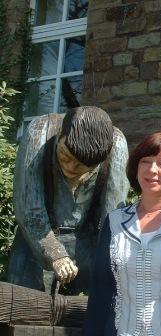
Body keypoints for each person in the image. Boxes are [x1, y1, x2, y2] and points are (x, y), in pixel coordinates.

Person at [83, 132, 161, 336]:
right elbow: (100, 293)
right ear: (136, 168)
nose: (152, 170)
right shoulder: (115, 222)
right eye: (145, 161)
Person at [8, 106, 129, 295]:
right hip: (35, 242)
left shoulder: (117, 145)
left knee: (86, 316)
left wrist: (110, 265)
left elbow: (113, 219)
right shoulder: (39, 132)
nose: (70, 167)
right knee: (22, 309)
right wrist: (55, 254)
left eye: (82, 166)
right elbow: (29, 208)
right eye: (65, 156)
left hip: (86, 244)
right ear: (60, 136)